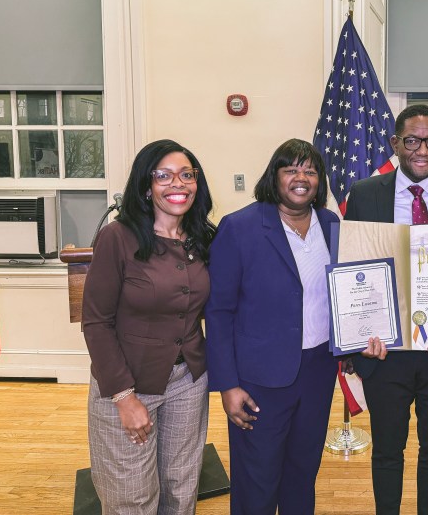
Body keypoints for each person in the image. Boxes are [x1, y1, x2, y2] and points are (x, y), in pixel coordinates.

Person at [344, 104, 428, 515]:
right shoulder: (365, 194)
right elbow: (352, 267)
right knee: (387, 451)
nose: (423, 149)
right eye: (412, 140)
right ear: (395, 144)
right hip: (385, 354)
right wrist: (356, 338)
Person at [204, 139, 340, 515]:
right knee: (257, 480)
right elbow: (218, 312)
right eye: (291, 169)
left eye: (310, 170)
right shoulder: (240, 227)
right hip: (259, 379)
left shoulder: (331, 224)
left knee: (302, 473)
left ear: (319, 180)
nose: (301, 178)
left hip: (317, 371)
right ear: (274, 176)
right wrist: (227, 385)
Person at [82, 139, 217, 514]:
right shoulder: (117, 237)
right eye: (164, 176)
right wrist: (124, 398)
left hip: (188, 381)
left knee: (181, 487)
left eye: (186, 175)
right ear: (146, 186)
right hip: (128, 383)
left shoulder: (204, 238)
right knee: (132, 498)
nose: (178, 184)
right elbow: (96, 322)